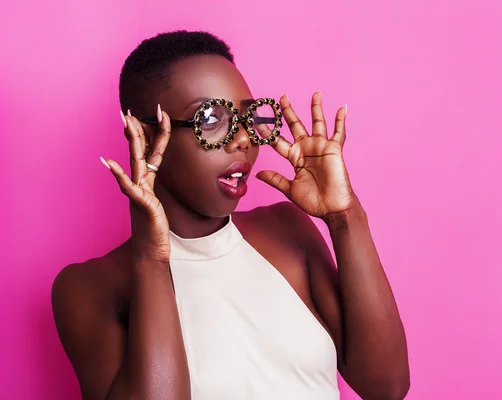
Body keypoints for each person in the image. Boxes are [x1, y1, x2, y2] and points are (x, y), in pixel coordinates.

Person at [51, 30, 410, 400]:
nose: (243, 139)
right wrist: (152, 258)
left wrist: (345, 217)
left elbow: (386, 387)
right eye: (209, 119)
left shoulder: (286, 230)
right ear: (144, 133)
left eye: (247, 117)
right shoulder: (90, 288)